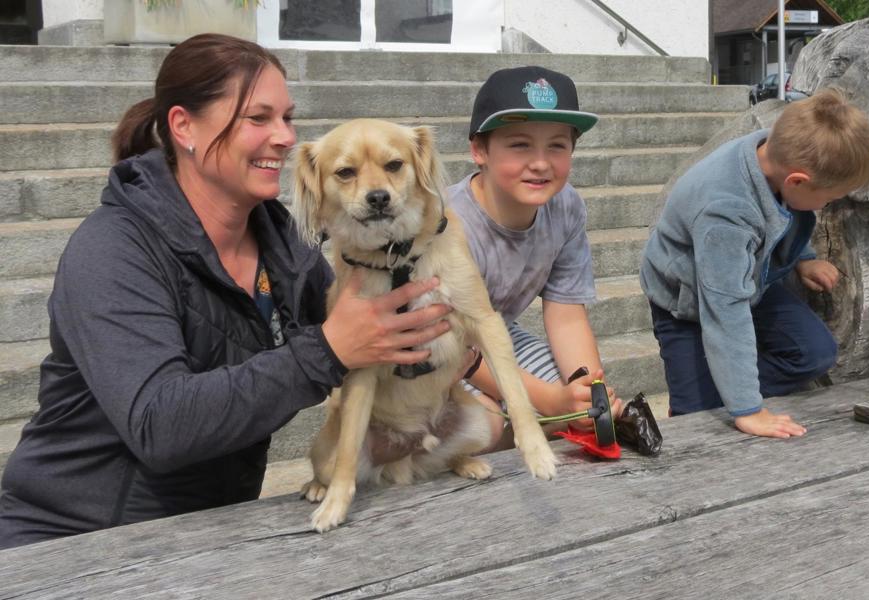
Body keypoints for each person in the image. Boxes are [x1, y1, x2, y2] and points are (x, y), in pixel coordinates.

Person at [0, 34, 455, 549]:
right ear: (183, 126)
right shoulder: (112, 250)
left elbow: (373, 332)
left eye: (287, 117)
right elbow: (159, 424)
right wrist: (326, 352)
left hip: (206, 528)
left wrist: (461, 353)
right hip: (72, 539)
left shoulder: (280, 239)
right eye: (258, 119)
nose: (284, 137)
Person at [640, 88, 869, 439]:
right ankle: (711, 399)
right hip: (686, 303)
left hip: (752, 277)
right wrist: (748, 410)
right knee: (696, 417)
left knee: (814, 353)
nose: (826, 206)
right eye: (828, 199)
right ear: (797, 180)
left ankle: (724, 388)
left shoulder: (771, 150)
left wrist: (803, 259)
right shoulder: (726, 212)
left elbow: (782, 213)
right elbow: (725, 311)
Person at [446, 65, 621, 449]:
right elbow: (457, 351)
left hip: (496, 335)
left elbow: (567, 313)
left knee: (572, 403)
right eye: (520, 145)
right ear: (479, 150)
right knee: (483, 428)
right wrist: (550, 402)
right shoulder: (447, 224)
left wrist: (585, 391)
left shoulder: (566, 206)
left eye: (556, 145)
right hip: (430, 348)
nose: (540, 163)